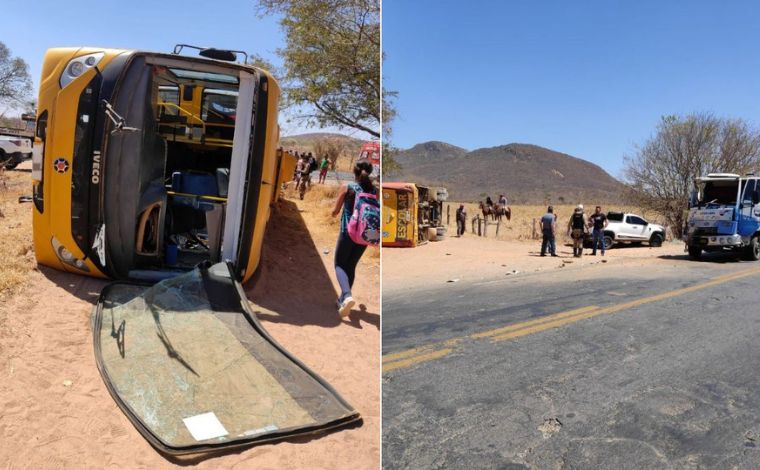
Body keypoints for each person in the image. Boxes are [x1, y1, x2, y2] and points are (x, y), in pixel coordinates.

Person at [331, 159, 376, 317]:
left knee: (339, 264)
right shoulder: (374, 190)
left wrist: (334, 211)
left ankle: (347, 295)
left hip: (348, 231)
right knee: (351, 266)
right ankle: (342, 300)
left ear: (354, 171)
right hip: (365, 235)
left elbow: (335, 211)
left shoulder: (347, 187)